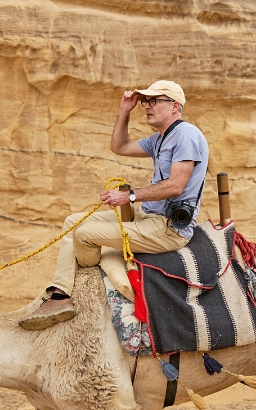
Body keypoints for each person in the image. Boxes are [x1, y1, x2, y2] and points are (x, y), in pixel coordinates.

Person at [19, 80, 209, 330]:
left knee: (84, 234)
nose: (147, 107)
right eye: (145, 102)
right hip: (147, 216)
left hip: (169, 229)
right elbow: (118, 146)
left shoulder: (186, 135)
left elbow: (176, 186)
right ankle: (62, 294)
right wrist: (124, 112)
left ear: (174, 106)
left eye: (154, 101)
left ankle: (88, 271)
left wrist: (128, 197)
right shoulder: (160, 138)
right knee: (72, 223)